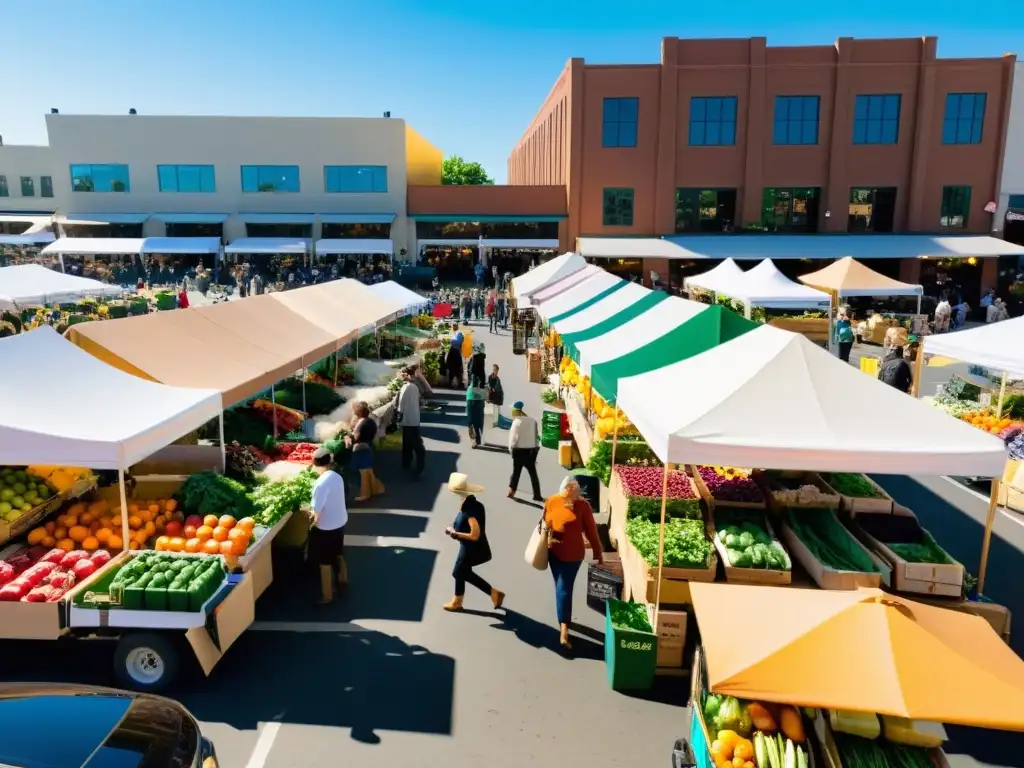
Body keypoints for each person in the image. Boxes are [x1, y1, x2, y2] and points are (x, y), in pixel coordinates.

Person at [544, 476, 602, 651]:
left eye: (574, 493)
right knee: (560, 587)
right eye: (568, 493)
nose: (571, 497)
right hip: (554, 553)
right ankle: (564, 617)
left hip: (573, 556)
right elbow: (545, 523)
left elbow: (592, 531)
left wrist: (598, 553)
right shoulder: (552, 501)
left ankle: (564, 629)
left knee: (564, 589)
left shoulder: (583, 507)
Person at [442, 473, 504, 612]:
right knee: (462, 572)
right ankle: (491, 594)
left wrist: (455, 534)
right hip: (469, 547)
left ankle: (460, 601)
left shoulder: (469, 511)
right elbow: (460, 522)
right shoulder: (472, 505)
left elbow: (475, 535)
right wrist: (452, 526)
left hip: (471, 549)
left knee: (458, 572)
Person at [308, 448, 349, 604]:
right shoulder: (337, 476)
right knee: (338, 554)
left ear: (315, 464)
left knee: (324, 562)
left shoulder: (320, 484)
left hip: (326, 527)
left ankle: (327, 596)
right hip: (339, 522)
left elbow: (316, 512)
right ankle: (343, 581)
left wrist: (311, 520)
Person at [345, 401, 385, 502]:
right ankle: (377, 489)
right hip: (368, 447)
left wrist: (347, 438)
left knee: (363, 473)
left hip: (360, 449)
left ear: (358, 412)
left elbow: (356, 438)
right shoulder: (370, 421)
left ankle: (365, 494)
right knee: (368, 471)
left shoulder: (361, 423)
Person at [508, 401, 542, 501]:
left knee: (516, 473)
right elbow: (536, 437)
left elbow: (513, 439)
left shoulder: (516, 422)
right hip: (531, 452)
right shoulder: (533, 421)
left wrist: (511, 451)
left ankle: (511, 491)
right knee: (533, 474)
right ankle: (537, 495)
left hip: (518, 451)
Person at [395, 368, 426, 477]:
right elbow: (420, 401)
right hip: (415, 419)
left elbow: (400, 405)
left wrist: (398, 417)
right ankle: (409, 463)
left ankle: (414, 466)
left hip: (407, 420)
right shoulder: (415, 387)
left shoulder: (405, 388)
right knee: (412, 442)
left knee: (411, 443)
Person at [466, 375, 487, 448]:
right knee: (479, 421)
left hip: (471, 398)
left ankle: (474, 441)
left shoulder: (473, 375)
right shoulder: (480, 376)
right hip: (478, 399)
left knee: (471, 421)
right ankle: (477, 439)